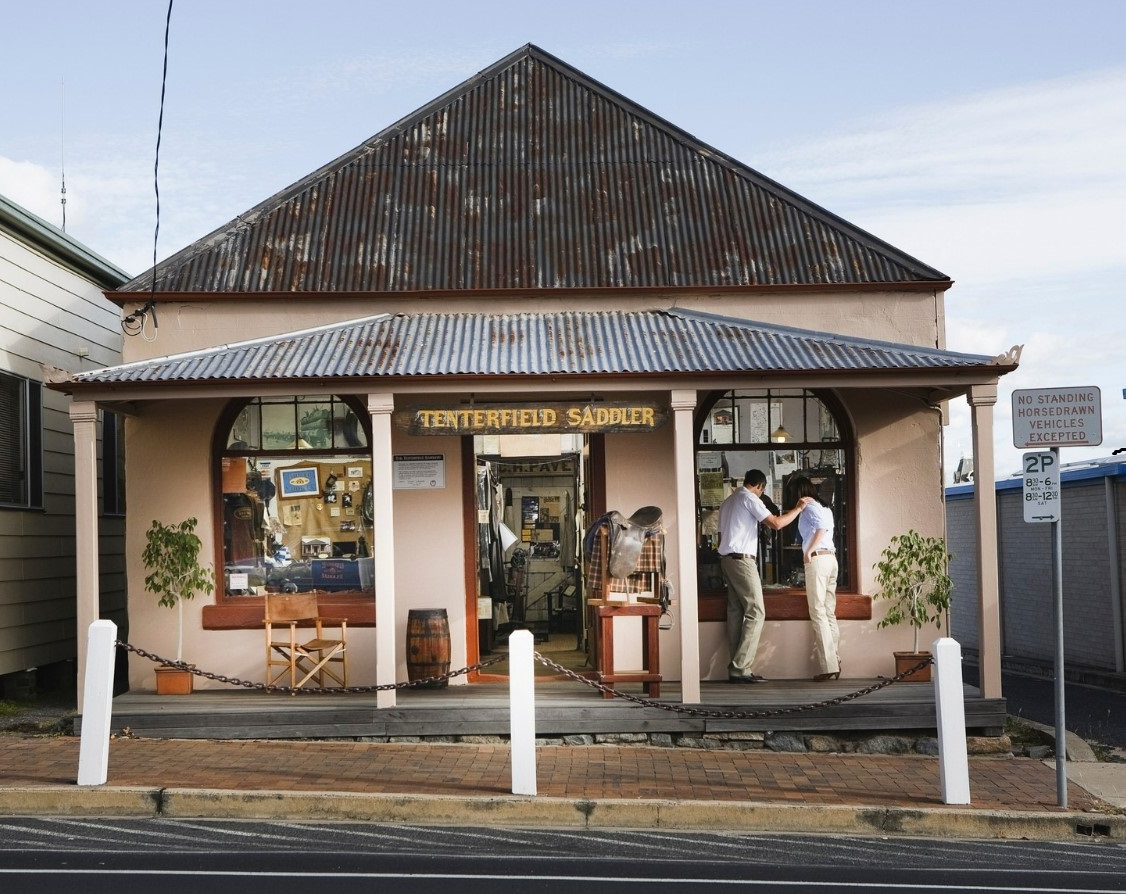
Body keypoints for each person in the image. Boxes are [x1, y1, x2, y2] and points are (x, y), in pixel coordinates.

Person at [717, 469, 809, 683]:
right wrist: (798, 508)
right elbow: (776, 524)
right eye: (762, 490)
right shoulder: (749, 498)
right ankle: (740, 668)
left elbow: (722, 534)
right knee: (757, 611)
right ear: (760, 486)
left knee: (735, 611)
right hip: (742, 560)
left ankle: (736, 666)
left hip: (726, 559)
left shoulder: (728, 501)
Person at [791, 476, 840, 681]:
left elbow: (820, 529)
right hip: (831, 559)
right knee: (828, 612)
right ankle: (835, 660)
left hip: (819, 559)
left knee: (818, 612)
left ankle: (829, 666)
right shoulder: (825, 506)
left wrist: (808, 551)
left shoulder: (809, 506)